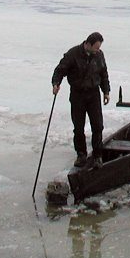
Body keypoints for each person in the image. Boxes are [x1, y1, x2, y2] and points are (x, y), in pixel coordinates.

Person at [51, 32, 110, 168]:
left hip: (93, 94)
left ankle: (97, 156)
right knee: (78, 127)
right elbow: (60, 70)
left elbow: (104, 74)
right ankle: (81, 155)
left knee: (98, 126)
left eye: (99, 47)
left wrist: (106, 91)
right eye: (95, 47)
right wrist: (56, 83)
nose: (97, 50)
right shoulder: (73, 54)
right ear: (88, 44)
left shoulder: (99, 55)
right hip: (78, 94)